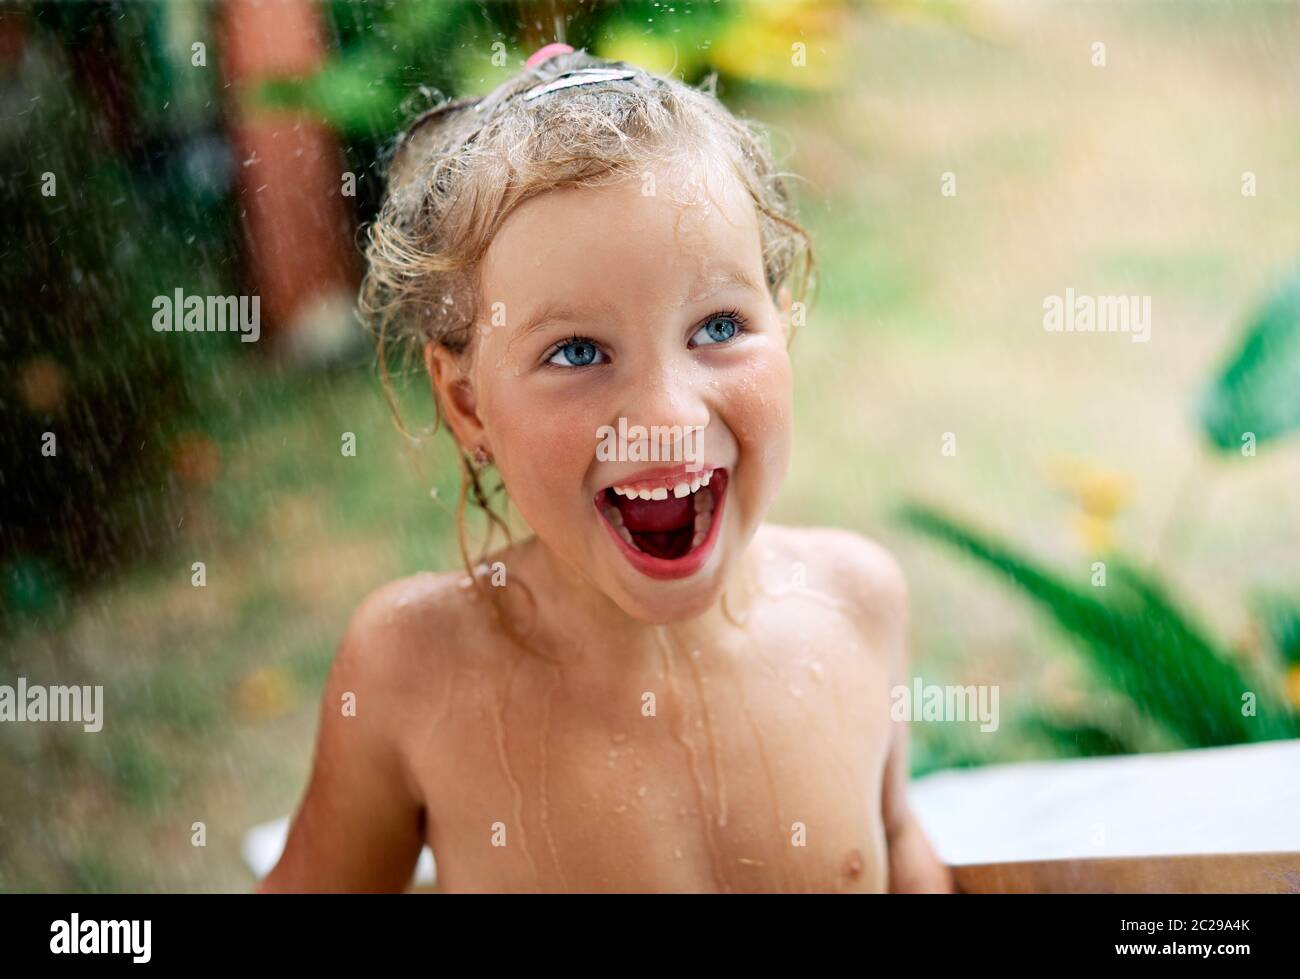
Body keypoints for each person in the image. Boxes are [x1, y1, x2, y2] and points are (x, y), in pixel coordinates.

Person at [259, 44, 951, 893]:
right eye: (578, 350)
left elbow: (896, 839)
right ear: (469, 402)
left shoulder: (856, 605)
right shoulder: (413, 672)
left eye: (719, 327)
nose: (667, 418)